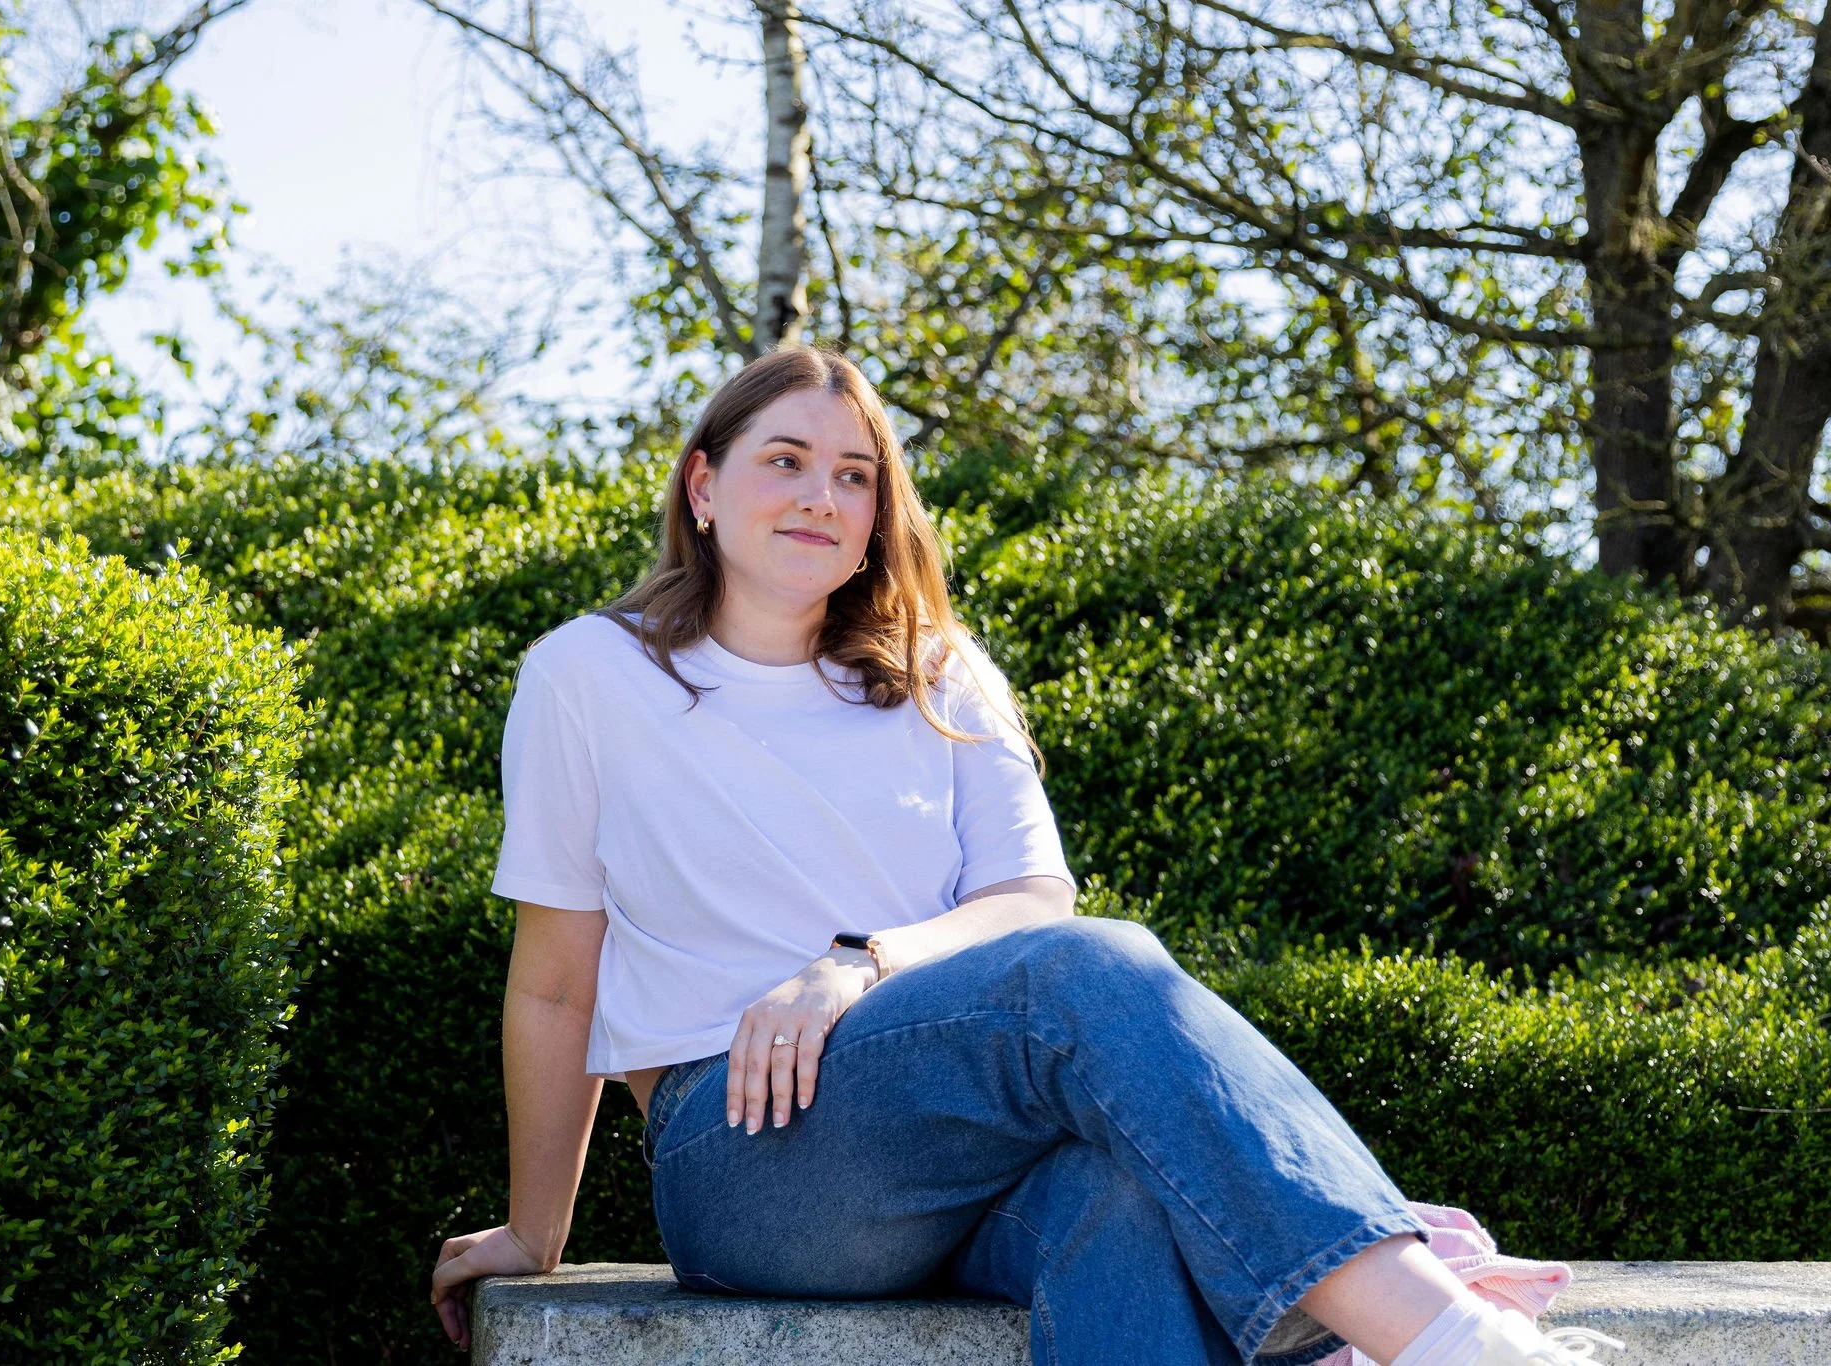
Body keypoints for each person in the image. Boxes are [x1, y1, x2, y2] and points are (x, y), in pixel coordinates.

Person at [428, 345, 1624, 1366]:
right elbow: (552, 979)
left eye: (855, 476)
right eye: (783, 460)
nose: (819, 497)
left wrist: (858, 961)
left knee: (1125, 1205)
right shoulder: (592, 675)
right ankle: (1460, 1341)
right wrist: (538, 1233)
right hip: (746, 1156)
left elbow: (1027, 894)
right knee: (1089, 967)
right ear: (703, 483)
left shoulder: (940, 675)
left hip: (978, 1158)